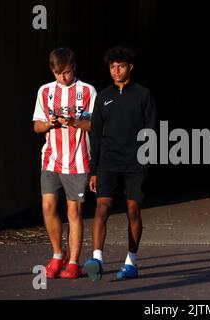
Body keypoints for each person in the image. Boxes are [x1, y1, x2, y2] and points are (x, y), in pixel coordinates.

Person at [83, 46, 157, 280]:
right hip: (108, 162)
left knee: (133, 211)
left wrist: (145, 161)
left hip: (135, 163)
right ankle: (97, 259)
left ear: (130, 68)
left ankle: (131, 262)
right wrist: (93, 169)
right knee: (102, 208)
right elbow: (95, 134)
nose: (116, 71)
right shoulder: (104, 96)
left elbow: (151, 130)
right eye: (112, 67)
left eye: (121, 66)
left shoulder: (143, 95)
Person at [32, 48, 96, 278]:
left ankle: (75, 262)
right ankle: (58, 255)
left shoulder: (87, 91)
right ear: (52, 70)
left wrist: (73, 121)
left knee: (74, 211)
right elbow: (36, 126)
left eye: (67, 72)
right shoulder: (45, 91)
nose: (63, 78)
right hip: (51, 158)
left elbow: (96, 126)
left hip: (78, 160)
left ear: (74, 68)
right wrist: (48, 124)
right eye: (58, 73)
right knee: (48, 206)